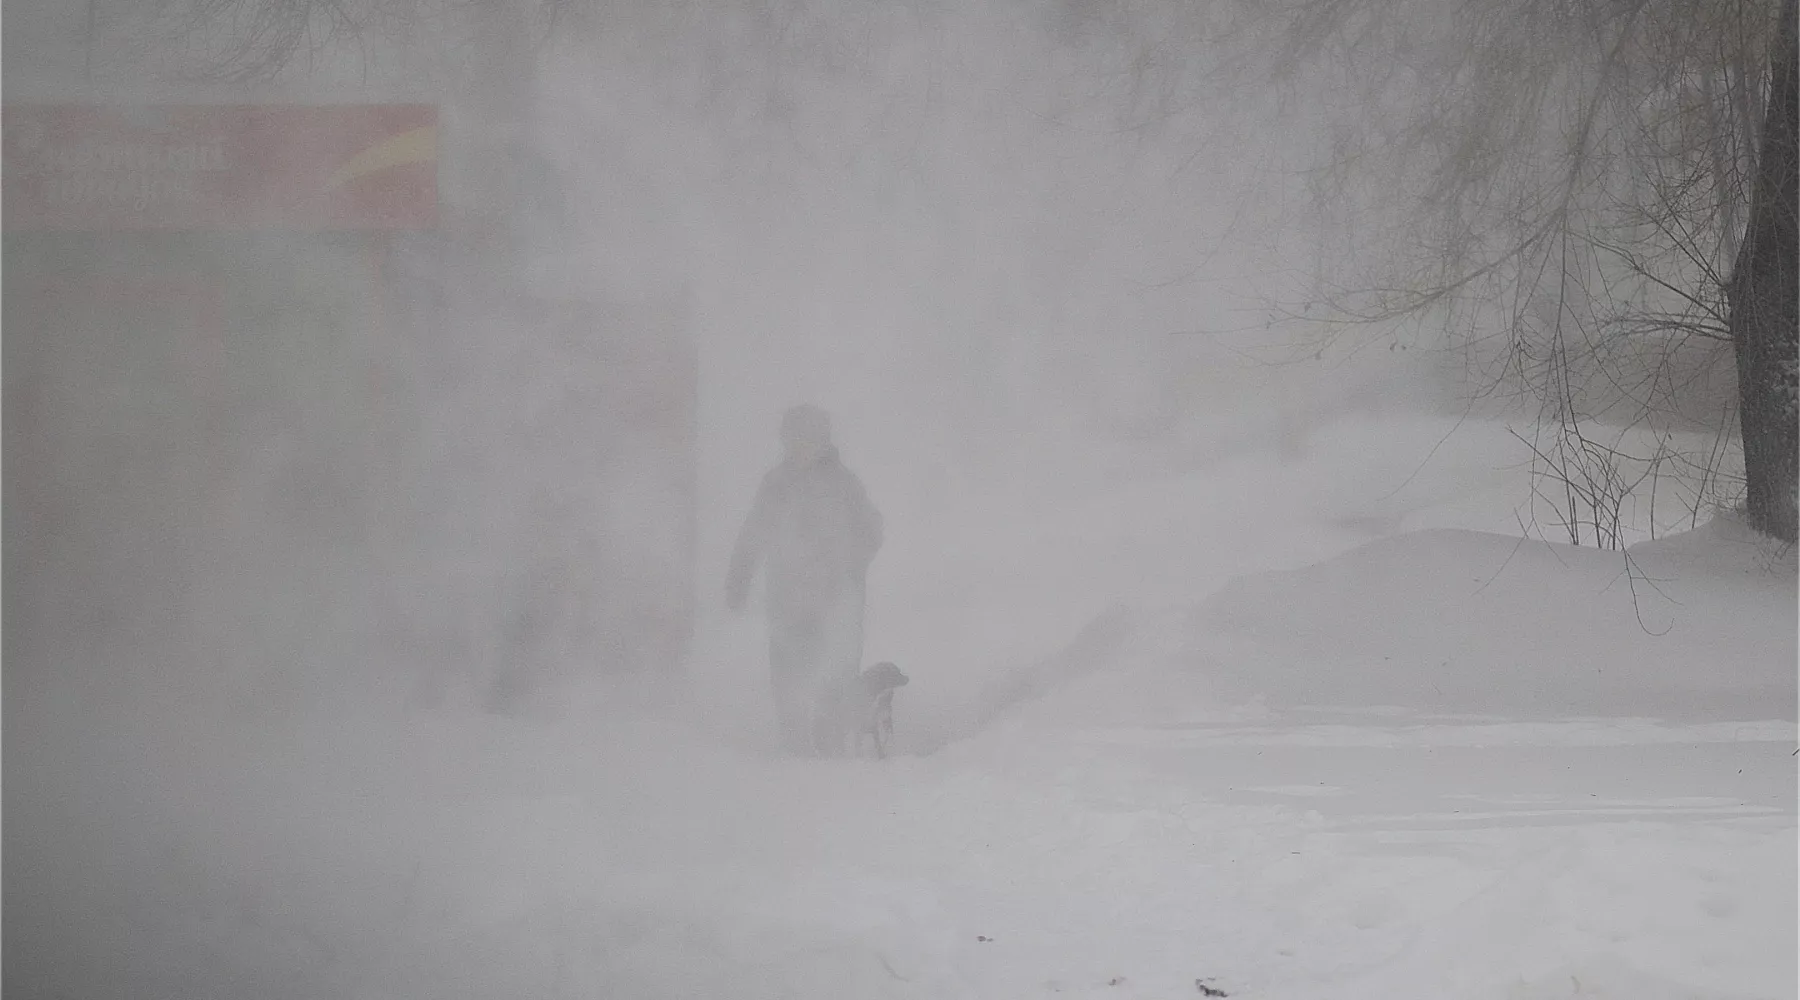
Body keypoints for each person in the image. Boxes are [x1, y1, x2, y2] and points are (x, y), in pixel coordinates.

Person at [727, 405, 883, 753]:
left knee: (835, 664)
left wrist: (851, 566)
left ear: (823, 440)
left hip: (837, 594)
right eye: (794, 438)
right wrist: (740, 575)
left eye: (808, 438)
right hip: (786, 593)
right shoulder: (775, 484)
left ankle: (830, 736)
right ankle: (793, 733)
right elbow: (754, 531)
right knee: (788, 664)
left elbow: (871, 530)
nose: (800, 446)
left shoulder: (844, 483)